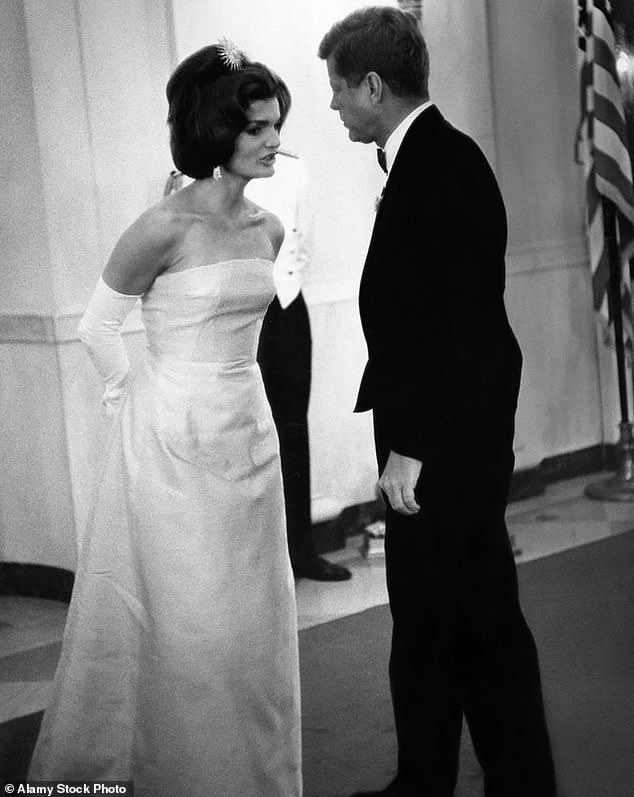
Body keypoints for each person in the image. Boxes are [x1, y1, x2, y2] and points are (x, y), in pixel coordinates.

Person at [28, 41, 301, 797]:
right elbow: (96, 327)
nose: (273, 139)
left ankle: (252, 773)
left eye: (275, 123)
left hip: (249, 429)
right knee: (189, 622)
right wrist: (137, 399)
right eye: (256, 128)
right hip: (170, 439)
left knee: (251, 620)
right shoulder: (161, 227)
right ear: (217, 132)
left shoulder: (269, 229)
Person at [318, 8, 557, 797]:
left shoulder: (441, 165)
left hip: (444, 447)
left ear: (375, 86)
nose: (334, 106)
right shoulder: (428, 157)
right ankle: (424, 780)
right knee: (433, 623)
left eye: (339, 90)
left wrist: (412, 445)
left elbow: (461, 329)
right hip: (444, 436)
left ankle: (513, 784)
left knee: (474, 625)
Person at [247, 153, 352, 581]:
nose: (269, 136)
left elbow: (302, 238)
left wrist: (284, 289)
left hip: (287, 307)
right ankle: (256, 565)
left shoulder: (292, 169)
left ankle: (301, 552)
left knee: (293, 428)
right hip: (240, 313)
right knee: (243, 433)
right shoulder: (201, 173)